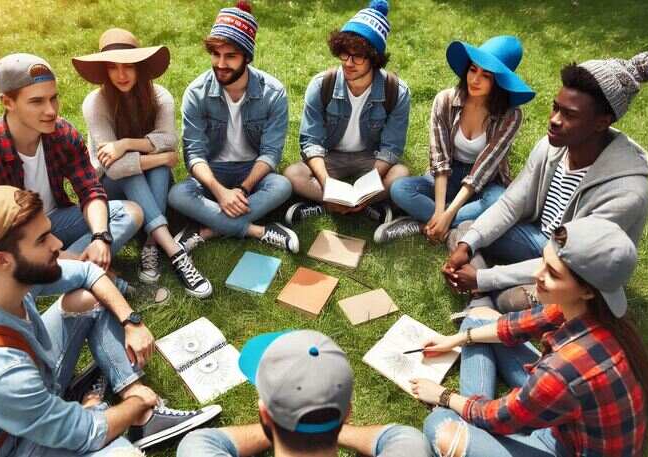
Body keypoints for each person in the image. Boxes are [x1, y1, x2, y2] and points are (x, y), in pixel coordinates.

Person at [0, 186, 221, 456]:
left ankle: (130, 405)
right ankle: (124, 406)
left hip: (33, 392)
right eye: (41, 240)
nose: (58, 244)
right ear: (2, 260)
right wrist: (135, 404)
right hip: (20, 445)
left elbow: (87, 272)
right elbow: (84, 432)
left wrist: (131, 321)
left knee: (88, 298)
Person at [411, 218, 648, 456]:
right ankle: (471, 416)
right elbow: (516, 326)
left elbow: (502, 418)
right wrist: (454, 340)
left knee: (440, 426)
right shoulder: (592, 312)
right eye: (543, 261)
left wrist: (444, 396)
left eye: (552, 273)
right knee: (477, 317)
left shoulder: (563, 370)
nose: (537, 275)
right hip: (565, 426)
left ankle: (467, 418)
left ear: (588, 291)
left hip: (563, 445)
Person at [444, 52, 648, 312]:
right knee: (466, 231)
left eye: (569, 114)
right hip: (540, 242)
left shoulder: (628, 193)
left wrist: (482, 277)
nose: (554, 120)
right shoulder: (550, 146)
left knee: (510, 300)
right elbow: (512, 203)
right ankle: (481, 302)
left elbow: (569, 261)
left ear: (602, 122)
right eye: (556, 107)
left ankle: (483, 300)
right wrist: (469, 246)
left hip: (574, 273)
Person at [0, 53, 141, 295]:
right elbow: (1, 245)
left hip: (53, 222)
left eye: (53, 98)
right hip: (14, 249)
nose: (50, 110)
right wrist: (77, 260)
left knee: (129, 213)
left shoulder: (62, 133)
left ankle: (76, 274)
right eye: (37, 101)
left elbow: (90, 190)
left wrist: (101, 238)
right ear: (8, 102)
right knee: (10, 272)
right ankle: (97, 278)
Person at [74, 27, 212, 299]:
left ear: (140, 67)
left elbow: (169, 138)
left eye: (128, 67)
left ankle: (150, 244)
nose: (121, 75)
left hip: (150, 179)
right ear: (105, 72)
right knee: (136, 169)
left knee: (152, 167)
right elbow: (112, 167)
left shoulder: (160, 96)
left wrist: (125, 144)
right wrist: (160, 156)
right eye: (113, 68)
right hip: (110, 184)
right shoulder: (95, 102)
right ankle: (175, 252)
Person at [168, 1, 298, 254]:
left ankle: (206, 230)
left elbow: (271, 153)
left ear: (247, 57)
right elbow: (194, 154)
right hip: (212, 173)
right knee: (177, 194)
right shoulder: (196, 92)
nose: (220, 63)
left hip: (252, 172)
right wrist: (220, 192)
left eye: (230, 56)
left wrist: (242, 189)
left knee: (282, 186)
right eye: (216, 54)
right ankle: (258, 230)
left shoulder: (273, 93)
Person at [377, 36, 534, 244]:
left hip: (484, 183)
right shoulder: (445, 100)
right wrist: (441, 211)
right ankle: (446, 225)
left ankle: (426, 224)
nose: (475, 80)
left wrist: (448, 214)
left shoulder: (510, 116)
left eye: (486, 75)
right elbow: (439, 160)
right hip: (447, 175)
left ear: (499, 82)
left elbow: (484, 169)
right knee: (399, 189)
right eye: (473, 70)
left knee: (498, 201)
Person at [177, 329, 433, 456]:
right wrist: (323, 427)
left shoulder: (195, 447)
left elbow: (199, 441)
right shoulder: (414, 446)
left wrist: (283, 428)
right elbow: (403, 437)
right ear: (347, 415)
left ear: (265, 415)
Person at [283, 0, 410, 228]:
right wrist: (327, 184)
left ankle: (357, 203)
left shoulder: (396, 91)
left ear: (374, 58)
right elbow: (310, 141)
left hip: (371, 158)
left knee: (400, 174)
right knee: (293, 174)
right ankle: (339, 204)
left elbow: (391, 149)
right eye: (344, 54)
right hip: (331, 156)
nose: (348, 63)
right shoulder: (322, 85)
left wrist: (365, 185)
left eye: (358, 56)